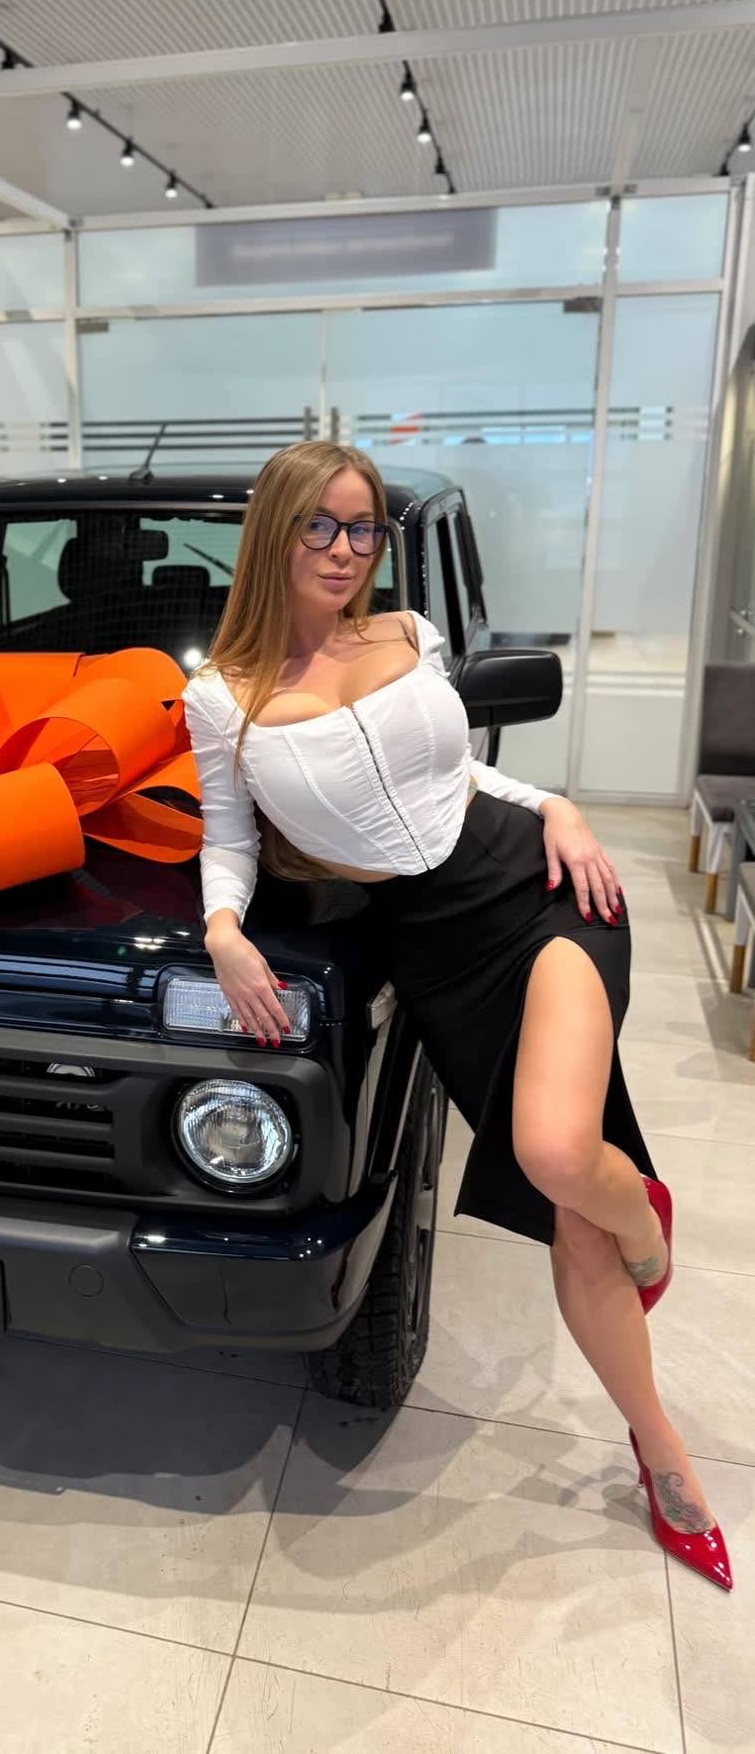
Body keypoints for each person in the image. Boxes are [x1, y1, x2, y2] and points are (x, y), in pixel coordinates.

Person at [182, 440, 732, 1592]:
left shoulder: (408, 632)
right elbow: (227, 839)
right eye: (321, 525)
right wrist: (224, 931)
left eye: (363, 528)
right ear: (274, 532)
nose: (346, 549)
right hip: (431, 948)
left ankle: (643, 1222)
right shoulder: (221, 695)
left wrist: (558, 803)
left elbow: (460, 774)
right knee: (569, 1203)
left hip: (532, 886)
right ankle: (661, 1451)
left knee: (553, 1153)